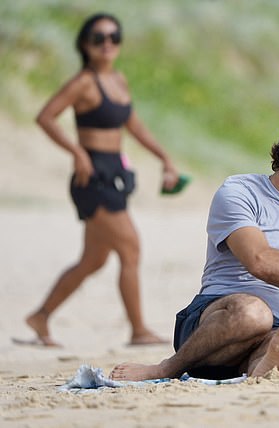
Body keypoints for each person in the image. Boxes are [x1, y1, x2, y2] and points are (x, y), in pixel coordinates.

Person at [110, 112, 279, 381]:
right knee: (254, 314)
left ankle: (261, 369)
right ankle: (166, 368)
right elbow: (260, 260)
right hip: (218, 324)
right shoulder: (239, 192)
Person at [21, 13, 182, 347]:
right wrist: (77, 153)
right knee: (131, 248)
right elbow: (46, 117)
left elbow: (135, 127)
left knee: (93, 260)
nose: (107, 44)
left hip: (113, 174)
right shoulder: (83, 82)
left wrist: (165, 157)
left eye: (114, 37)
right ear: (85, 44)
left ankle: (40, 317)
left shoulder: (118, 80)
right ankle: (138, 330)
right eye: (99, 38)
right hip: (91, 175)